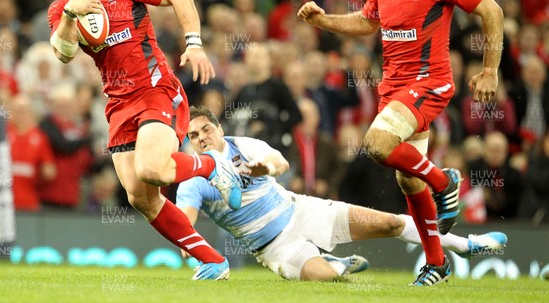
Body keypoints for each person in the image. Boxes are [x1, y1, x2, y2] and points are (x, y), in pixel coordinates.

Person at [297, 0, 504, 286]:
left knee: (377, 145)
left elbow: (492, 10)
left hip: (429, 84)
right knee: (409, 182)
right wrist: (324, 21)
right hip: (393, 89)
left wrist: (490, 70)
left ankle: (445, 182)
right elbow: (366, 21)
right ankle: (437, 263)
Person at [47, 0, 242, 280]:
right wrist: (72, 14)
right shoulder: (62, 8)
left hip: (156, 90)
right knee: (141, 197)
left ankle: (212, 167)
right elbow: (62, 53)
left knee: (152, 168)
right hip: (118, 105)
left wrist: (194, 44)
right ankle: (213, 260)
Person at [176, 106, 508, 282]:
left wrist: (266, 168)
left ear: (219, 129)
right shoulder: (193, 178)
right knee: (325, 279)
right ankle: (335, 264)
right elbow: (183, 225)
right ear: (189, 141)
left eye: (206, 129)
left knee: (391, 224)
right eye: (194, 135)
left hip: (301, 209)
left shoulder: (242, 144)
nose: (202, 137)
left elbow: (277, 161)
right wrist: (191, 250)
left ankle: (465, 245)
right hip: (274, 247)